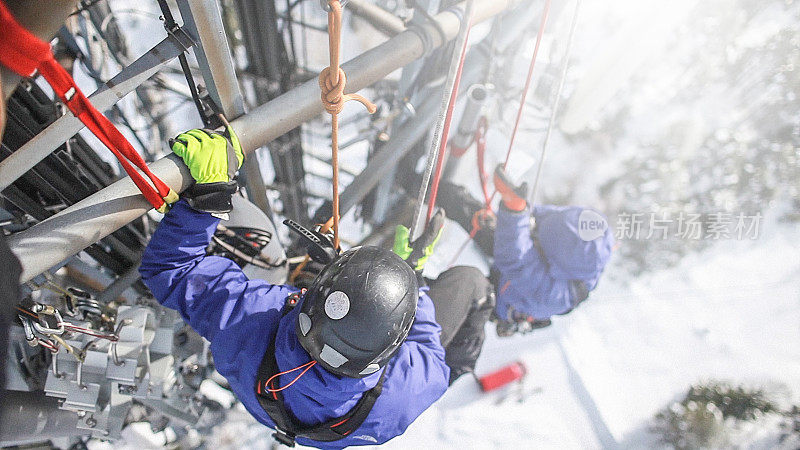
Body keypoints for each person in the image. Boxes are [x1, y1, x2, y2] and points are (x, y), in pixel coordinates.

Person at [139, 128, 488, 447]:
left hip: (260, 374)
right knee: (472, 281)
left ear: (307, 300)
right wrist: (414, 280)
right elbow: (429, 346)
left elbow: (168, 269)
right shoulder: (401, 397)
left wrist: (208, 200)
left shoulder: (253, 322)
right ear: (393, 348)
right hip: (285, 407)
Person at [436, 165, 614, 336]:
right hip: (516, 256)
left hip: (500, 297)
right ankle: (421, 183)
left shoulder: (556, 296)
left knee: (454, 297)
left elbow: (516, 261)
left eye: (541, 245)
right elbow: (539, 215)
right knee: (462, 204)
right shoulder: (574, 223)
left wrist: (513, 210)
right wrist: (517, 210)